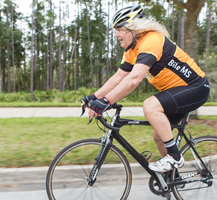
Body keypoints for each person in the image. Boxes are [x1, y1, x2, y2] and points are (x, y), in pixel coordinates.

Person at [82, 5, 210, 173]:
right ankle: (171, 177)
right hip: (176, 92)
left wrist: (106, 101)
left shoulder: (151, 40)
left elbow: (134, 79)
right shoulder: (131, 51)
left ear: (132, 28)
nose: (116, 34)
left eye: (119, 29)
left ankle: (175, 158)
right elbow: (119, 77)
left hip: (196, 87)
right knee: (159, 134)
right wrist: (93, 97)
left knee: (150, 105)